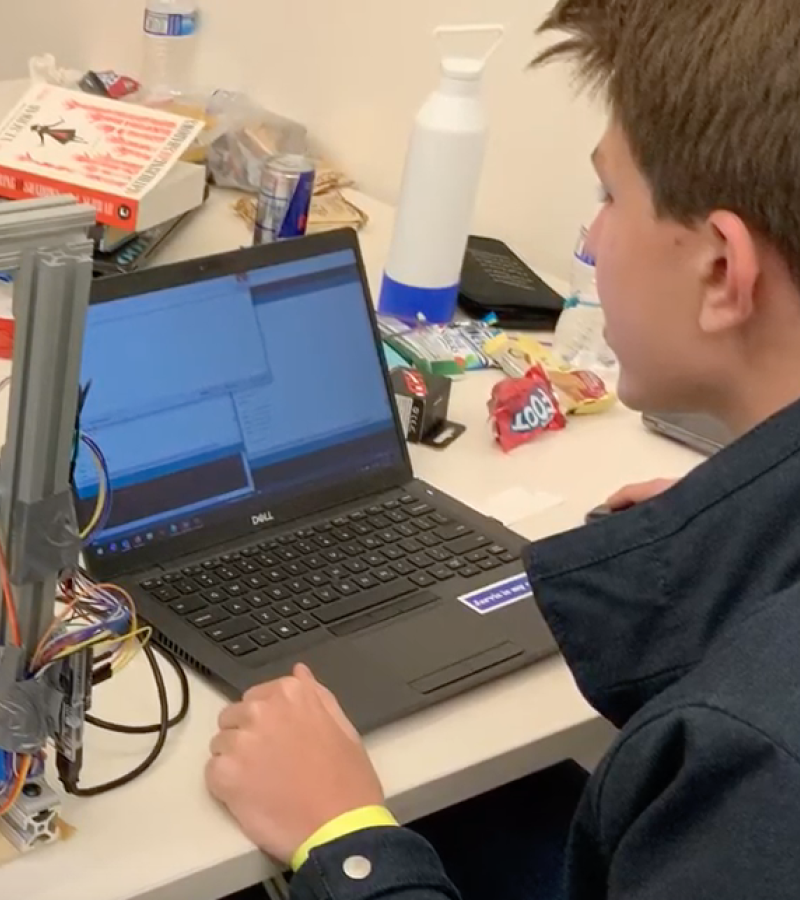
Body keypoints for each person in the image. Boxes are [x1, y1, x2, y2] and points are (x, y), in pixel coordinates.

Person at [205, 0, 800, 898]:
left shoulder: (758, 766)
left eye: (609, 196)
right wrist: (737, 537)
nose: (594, 241)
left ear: (722, 269)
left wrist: (346, 836)